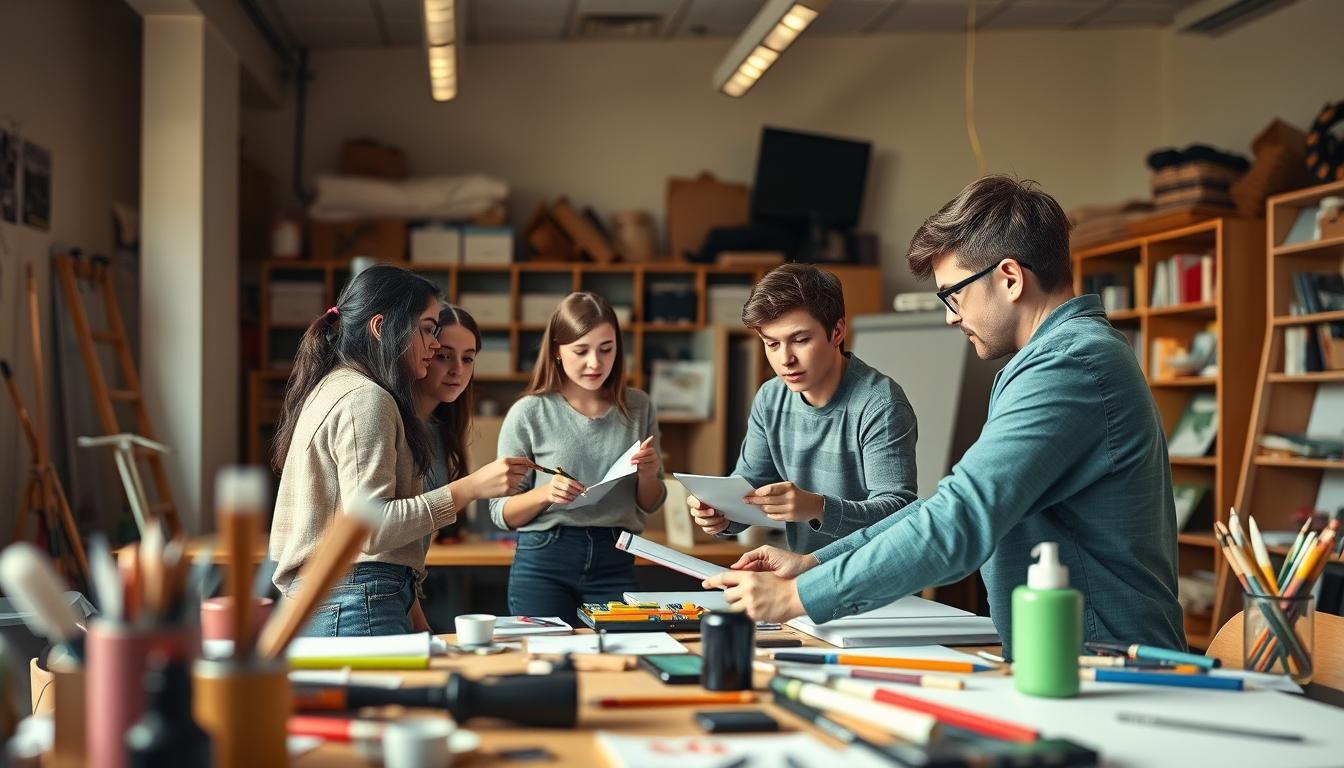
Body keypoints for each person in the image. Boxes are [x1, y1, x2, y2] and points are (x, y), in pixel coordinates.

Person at [704, 176, 1185, 654]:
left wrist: (798, 597)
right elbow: (944, 506)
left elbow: (961, 519)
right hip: (1072, 655)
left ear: (1010, 278)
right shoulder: (1055, 358)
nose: (952, 316)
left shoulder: (1068, 366)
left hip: (1103, 661)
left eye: (953, 294)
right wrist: (814, 566)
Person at [269, 266, 528, 636]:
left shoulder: (337, 387)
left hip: (345, 597)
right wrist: (470, 488)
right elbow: (372, 528)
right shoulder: (366, 399)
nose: (435, 344)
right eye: (427, 328)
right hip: (356, 600)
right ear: (380, 328)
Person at [688, 263, 918, 553]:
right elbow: (749, 488)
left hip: (876, 584)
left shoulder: (880, 405)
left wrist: (817, 507)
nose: (785, 359)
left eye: (800, 340)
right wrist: (721, 515)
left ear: (837, 331)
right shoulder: (770, 398)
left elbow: (900, 514)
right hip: (807, 578)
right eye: (771, 344)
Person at [490, 292, 666, 619]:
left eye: (606, 349)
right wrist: (545, 494)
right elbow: (501, 512)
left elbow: (652, 502)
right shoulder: (529, 412)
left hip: (615, 555)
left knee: (618, 661)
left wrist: (647, 473)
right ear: (557, 351)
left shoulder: (639, 406)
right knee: (546, 662)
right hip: (545, 557)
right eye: (581, 351)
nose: (595, 363)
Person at [410, 303, 531, 630]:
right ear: (421, 353)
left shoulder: (440, 427)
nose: (458, 370)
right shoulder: (396, 422)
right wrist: (475, 486)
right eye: (444, 355)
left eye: (468, 358)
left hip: (413, 587)